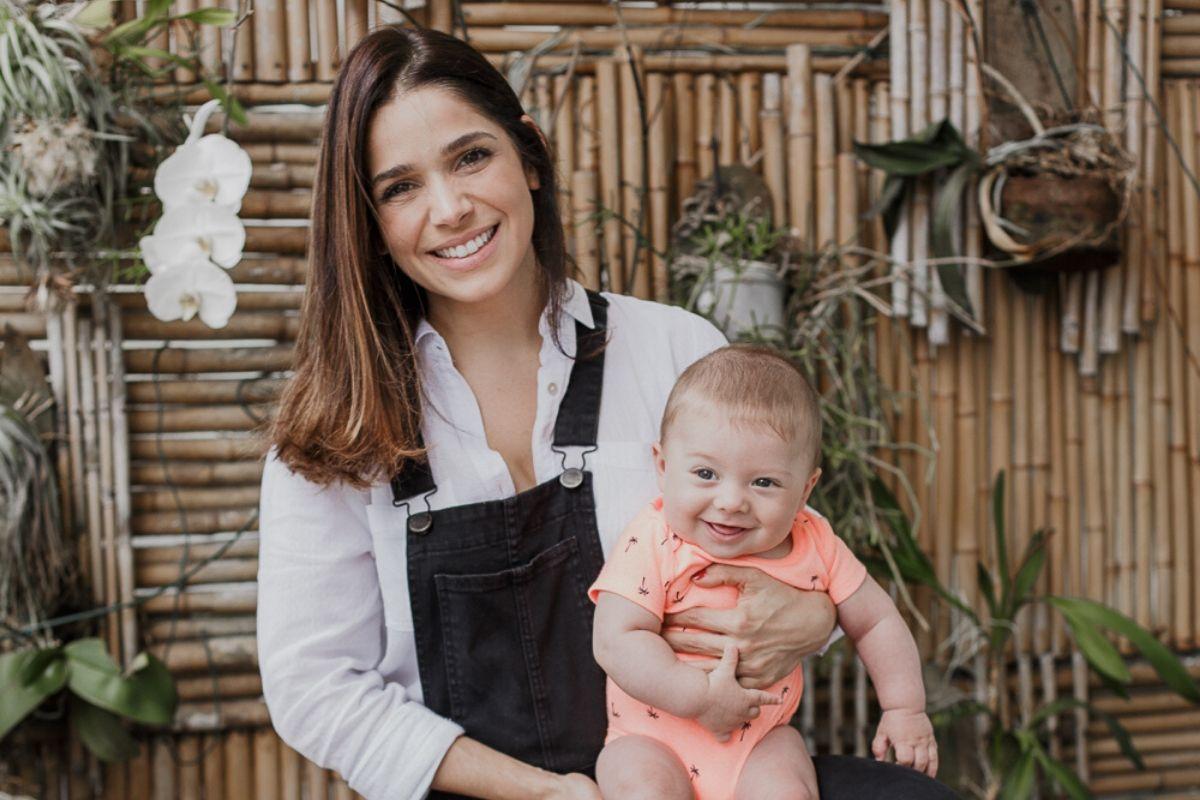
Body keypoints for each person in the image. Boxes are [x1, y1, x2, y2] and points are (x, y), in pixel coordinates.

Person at [257, 24, 956, 800]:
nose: (450, 208)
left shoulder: (676, 349)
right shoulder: (338, 431)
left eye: (471, 157)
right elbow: (314, 689)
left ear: (529, 156)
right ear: (368, 222)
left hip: (713, 769)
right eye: (400, 188)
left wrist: (815, 616)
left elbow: (797, 554)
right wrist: (548, 793)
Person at [589, 345, 937, 800]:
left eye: (764, 482)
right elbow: (616, 640)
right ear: (663, 466)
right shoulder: (653, 538)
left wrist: (905, 708)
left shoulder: (816, 542)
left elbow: (876, 620)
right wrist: (699, 696)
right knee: (644, 788)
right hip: (653, 739)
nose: (731, 501)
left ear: (805, 489)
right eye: (706, 473)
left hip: (759, 742)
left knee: (786, 785)